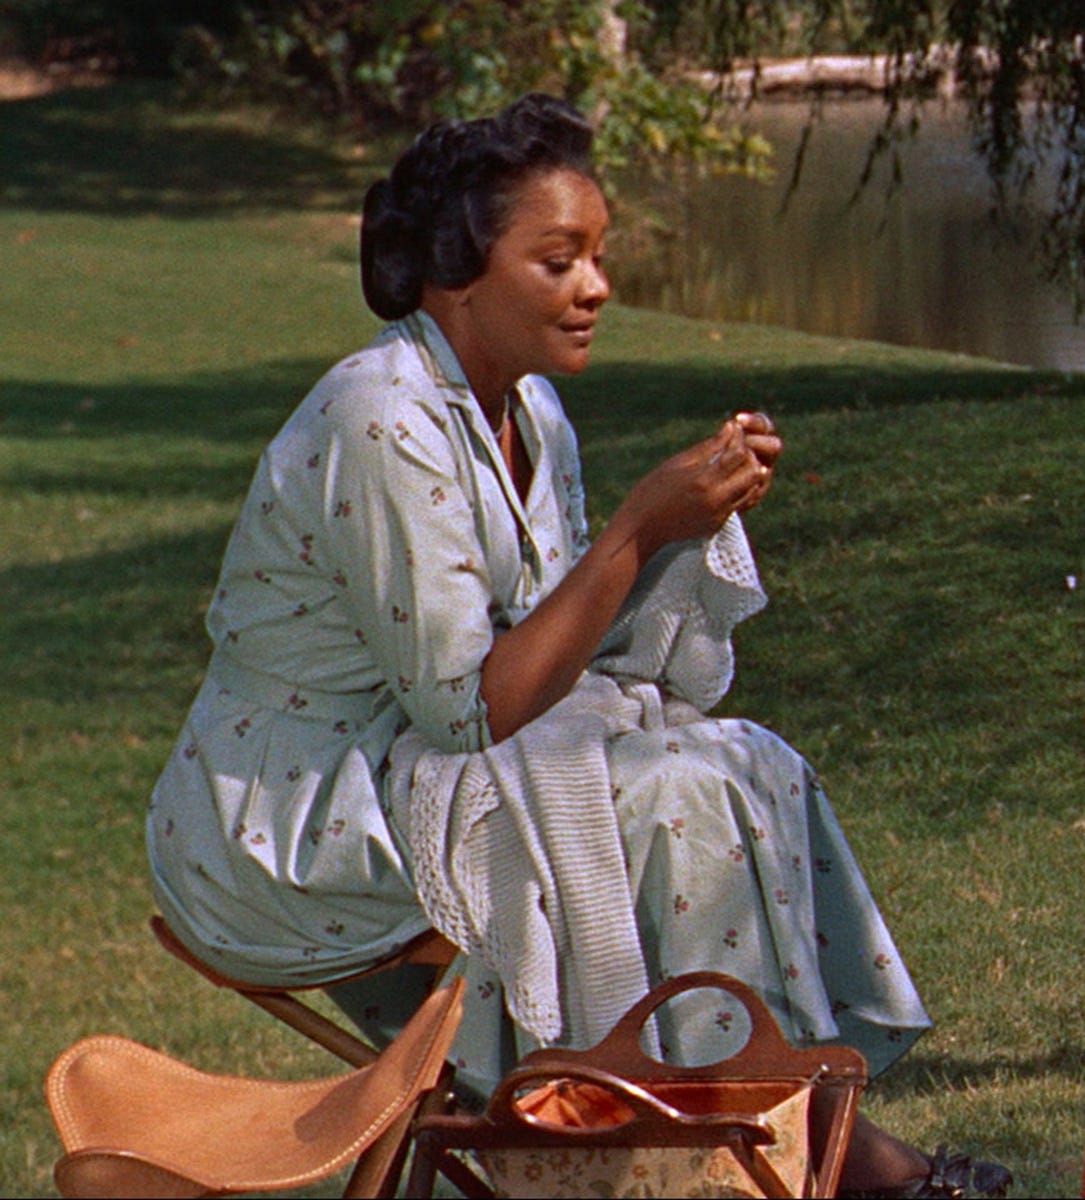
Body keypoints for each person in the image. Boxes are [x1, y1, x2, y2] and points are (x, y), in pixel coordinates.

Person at [144, 93, 1008, 1197]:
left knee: (739, 764)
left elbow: (554, 646)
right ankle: (756, 1158)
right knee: (669, 805)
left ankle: (762, 1136)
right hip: (291, 819)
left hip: (420, 764)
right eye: (559, 261)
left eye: (598, 257)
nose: (596, 286)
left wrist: (682, 531)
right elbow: (470, 705)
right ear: (458, 273)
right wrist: (641, 525)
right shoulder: (381, 419)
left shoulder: (533, 413)